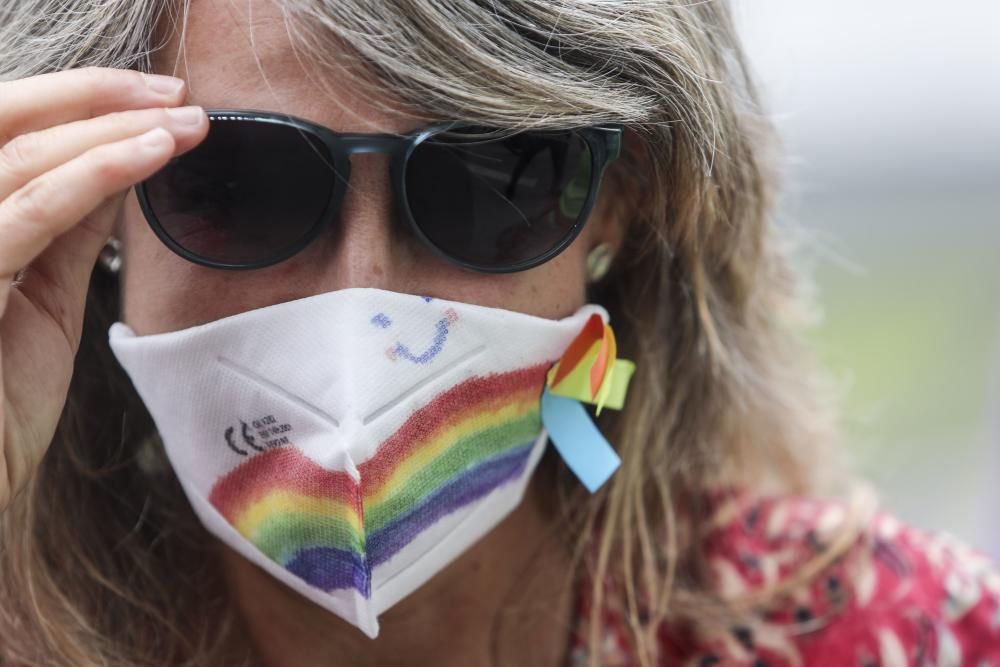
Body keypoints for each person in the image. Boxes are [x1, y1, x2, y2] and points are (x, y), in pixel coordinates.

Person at [0, 1, 997, 665]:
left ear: (616, 203)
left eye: (487, 181)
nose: (363, 299)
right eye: (240, 187)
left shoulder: (900, 634)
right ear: (94, 205)